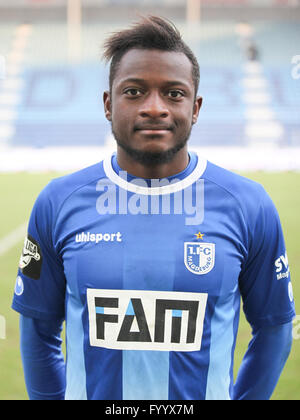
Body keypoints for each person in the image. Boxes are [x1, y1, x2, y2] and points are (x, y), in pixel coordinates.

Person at [12, 16, 295, 401]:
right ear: (108, 104)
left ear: (195, 108)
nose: (155, 108)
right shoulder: (57, 202)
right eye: (134, 92)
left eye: (174, 94)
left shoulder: (248, 205)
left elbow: (275, 326)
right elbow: (38, 331)